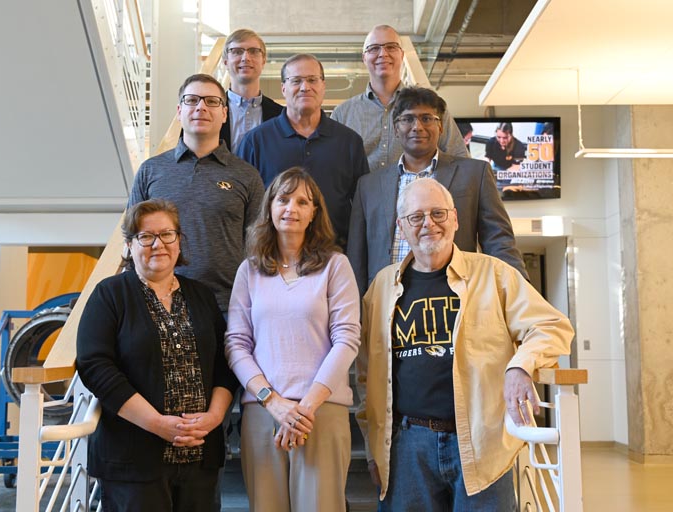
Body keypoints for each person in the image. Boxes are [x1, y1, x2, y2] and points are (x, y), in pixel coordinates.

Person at [356, 178, 574, 511]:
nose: (429, 223)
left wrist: (521, 364)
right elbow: (364, 373)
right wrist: (374, 450)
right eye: (416, 217)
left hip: (481, 444)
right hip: (406, 448)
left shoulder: (495, 275)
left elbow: (552, 326)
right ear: (402, 227)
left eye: (438, 213)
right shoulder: (382, 288)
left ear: (455, 219)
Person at [76, 199, 238, 511]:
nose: (158, 244)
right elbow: (95, 366)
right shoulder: (109, 295)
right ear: (128, 246)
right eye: (146, 236)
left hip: (200, 456)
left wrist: (214, 418)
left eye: (167, 234)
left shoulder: (201, 295)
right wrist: (157, 423)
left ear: (179, 241)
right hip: (133, 461)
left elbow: (224, 364)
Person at [225, 167, 361, 511]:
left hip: (321, 413)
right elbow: (236, 344)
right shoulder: (250, 270)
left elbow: (347, 338)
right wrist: (273, 402)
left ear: (314, 212)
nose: (292, 208)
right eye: (283, 199)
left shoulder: (335, 266)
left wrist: (304, 408)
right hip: (262, 412)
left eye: (303, 201)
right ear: (269, 207)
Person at [347, 86, 527, 297]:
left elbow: (499, 241)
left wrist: (521, 292)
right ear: (396, 129)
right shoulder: (368, 186)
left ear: (441, 127)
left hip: (454, 297)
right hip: (386, 300)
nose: (417, 126)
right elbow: (356, 258)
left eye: (426, 118)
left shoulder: (474, 174)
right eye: (407, 119)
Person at [129, 73, 264, 314]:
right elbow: (132, 240)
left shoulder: (247, 175)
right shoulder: (151, 170)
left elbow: (259, 248)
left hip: (228, 307)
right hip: (159, 305)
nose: (201, 107)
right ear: (180, 111)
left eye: (211, 101)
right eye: (192, 100)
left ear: (224, 114)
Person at [237, 53, 369, 249]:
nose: (305, 87)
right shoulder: (255, 141)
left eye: (312, 80)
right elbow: (242, 209)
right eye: (296, 81)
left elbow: (362, 209)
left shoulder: (349, 142)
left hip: (333, 256)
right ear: (283, 88)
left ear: (323, 86)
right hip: (271, 257)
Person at [331, 24, 469, 173]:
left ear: (402, 55)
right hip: (362, 196)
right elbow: (332, 169)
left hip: (419, 194)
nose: (383, 53)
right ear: (364, 58)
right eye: (374, 48)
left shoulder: (431, 108)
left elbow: (460, 161)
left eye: (391, 47)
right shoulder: (342, 114)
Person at [220, 28, 284, 153]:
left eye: (253, 51)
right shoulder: (209, 112)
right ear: (226, 62)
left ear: (263, 60)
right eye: (237, 51)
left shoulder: (282, 116)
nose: (245, 58)